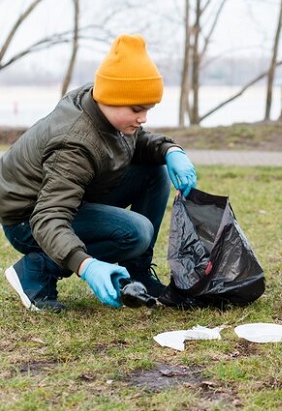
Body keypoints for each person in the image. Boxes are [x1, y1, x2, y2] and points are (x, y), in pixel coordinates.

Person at [1, 34, 198, 311]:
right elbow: (49, 216)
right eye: (137, 109)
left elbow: (134, 141)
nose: (143, 119)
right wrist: (86, 265)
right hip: (29, 219)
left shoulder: (104, 106)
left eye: (148, 109)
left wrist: (169, 150)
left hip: (66, 200)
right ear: (113, 98)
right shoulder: (74, 143)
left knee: (154, 172)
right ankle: (36, 271)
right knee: (135, 232)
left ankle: (137, 273)